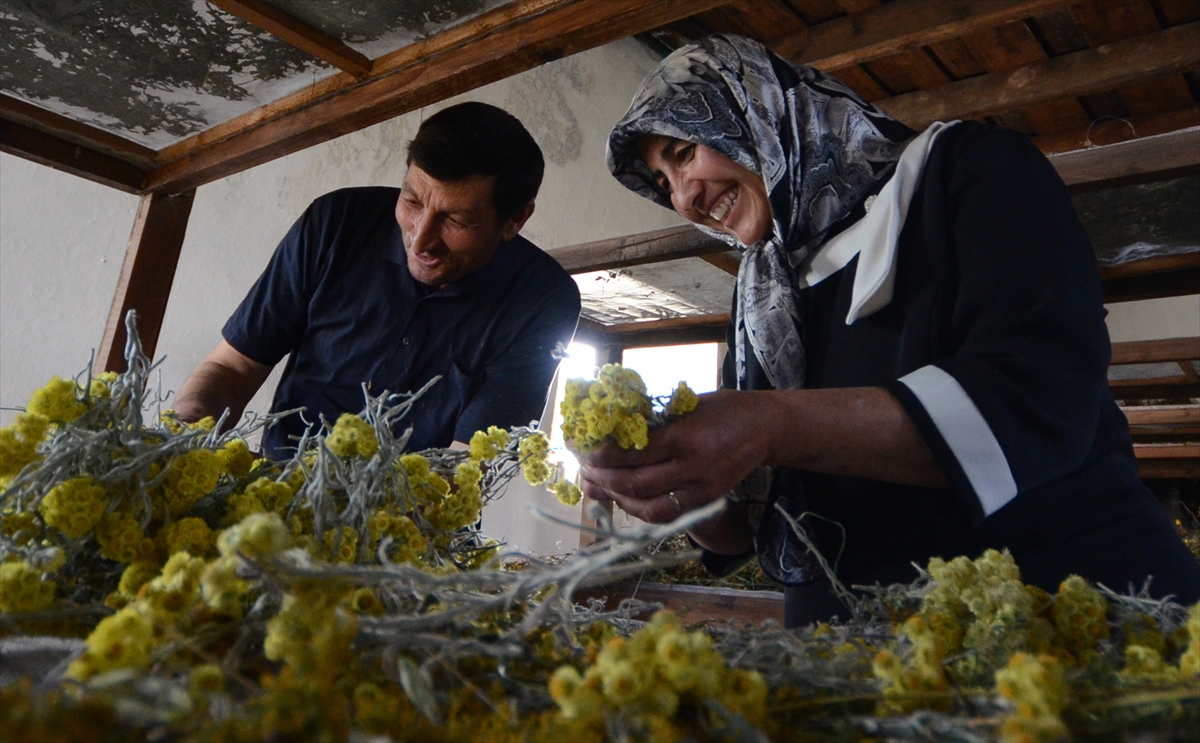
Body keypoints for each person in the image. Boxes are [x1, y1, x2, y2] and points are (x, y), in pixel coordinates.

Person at [586, 34, 1200, 626]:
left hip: (1062, 618)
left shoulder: (965, 170)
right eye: (664, 184)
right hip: (860, 664)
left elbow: (1037, 403)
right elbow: (747, 526)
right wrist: (675, 486)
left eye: (685, 153)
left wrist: (770, 423)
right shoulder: (762, 300)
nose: (685, 198)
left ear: (756, 109)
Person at [175, 102, 582, 458]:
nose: (420, 238)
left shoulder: (543, 300)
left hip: (416, 526)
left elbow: (472, 462)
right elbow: (234, 365)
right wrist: (179, 440)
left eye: (455, 219)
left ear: (515, 220)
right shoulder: (335, 224)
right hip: (281, 491)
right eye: (411, 201)